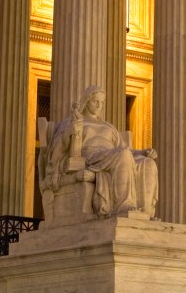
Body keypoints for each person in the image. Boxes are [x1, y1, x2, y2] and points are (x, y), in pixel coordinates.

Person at [47, 85, 158, 217]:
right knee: (122, 155)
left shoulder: (108, 126)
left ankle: (144, 212)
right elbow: (57, 149)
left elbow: (126, 150)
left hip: (113, 156)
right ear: (86, 101)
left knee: (148, 163)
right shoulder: (72, 121)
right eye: (95, 101)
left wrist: (142, 153)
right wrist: (70, 132)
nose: (99, 105)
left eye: (101, 102)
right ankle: (123, 205)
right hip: (91, 158)